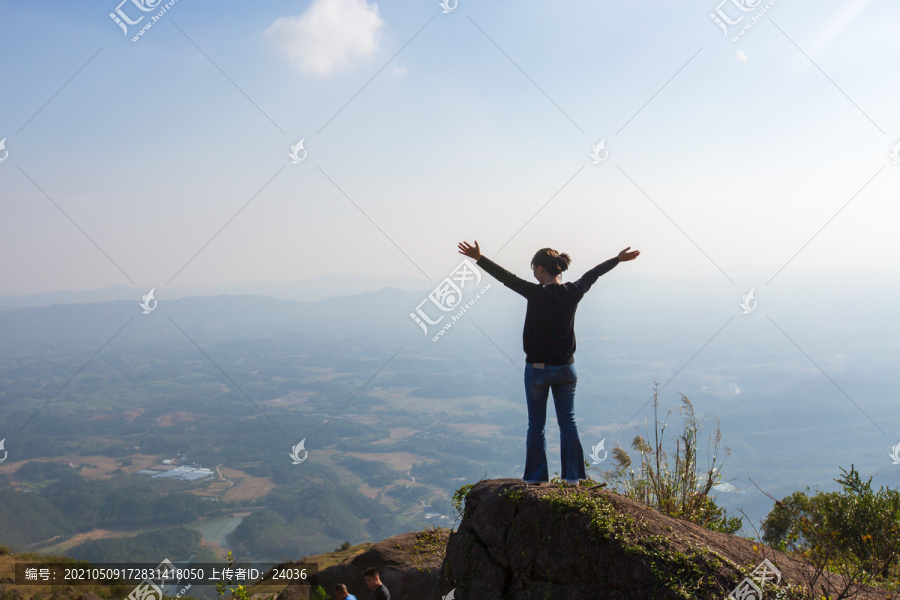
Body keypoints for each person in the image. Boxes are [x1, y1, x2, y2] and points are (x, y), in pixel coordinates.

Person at [457, 240, 640, 486]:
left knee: (536, 425)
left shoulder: (534, 292)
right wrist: (617, 259)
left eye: (534, 269)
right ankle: (573, 478)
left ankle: (535, 479)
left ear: (541, 270)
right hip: (566, 369)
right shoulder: (574, 291)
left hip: (537, 370)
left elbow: (506, 278)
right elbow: (593, 274)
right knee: (568, 422)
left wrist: (480, 258)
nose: (533, 273)